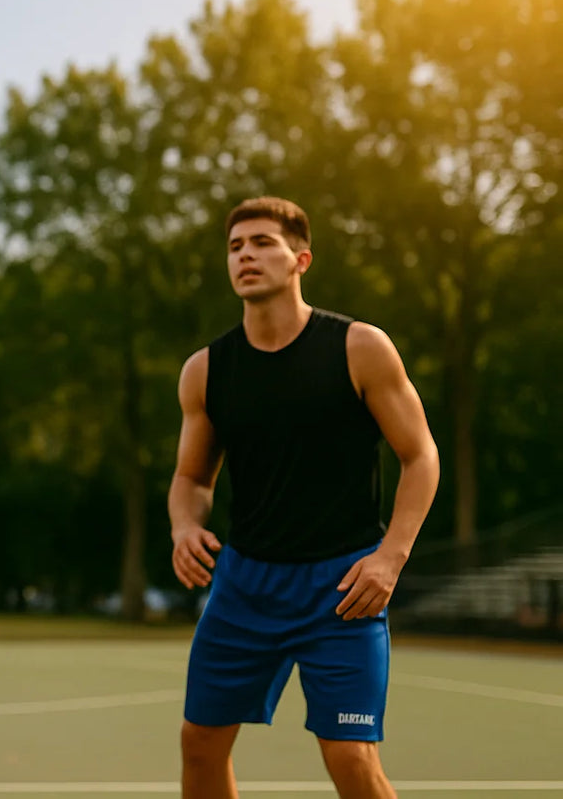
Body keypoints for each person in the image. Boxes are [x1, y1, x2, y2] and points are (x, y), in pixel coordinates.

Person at [167, 196, 440, 799]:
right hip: (243, 586)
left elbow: (420, 455)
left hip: (341, 586)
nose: (246, 255)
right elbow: (191, 480)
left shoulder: (359, 348)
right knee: (200, 743)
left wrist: (390, 557)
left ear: (301, 259)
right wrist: (184, 528)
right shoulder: (207, 370)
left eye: (263, 242)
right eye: (236, 246)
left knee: (350, 756)